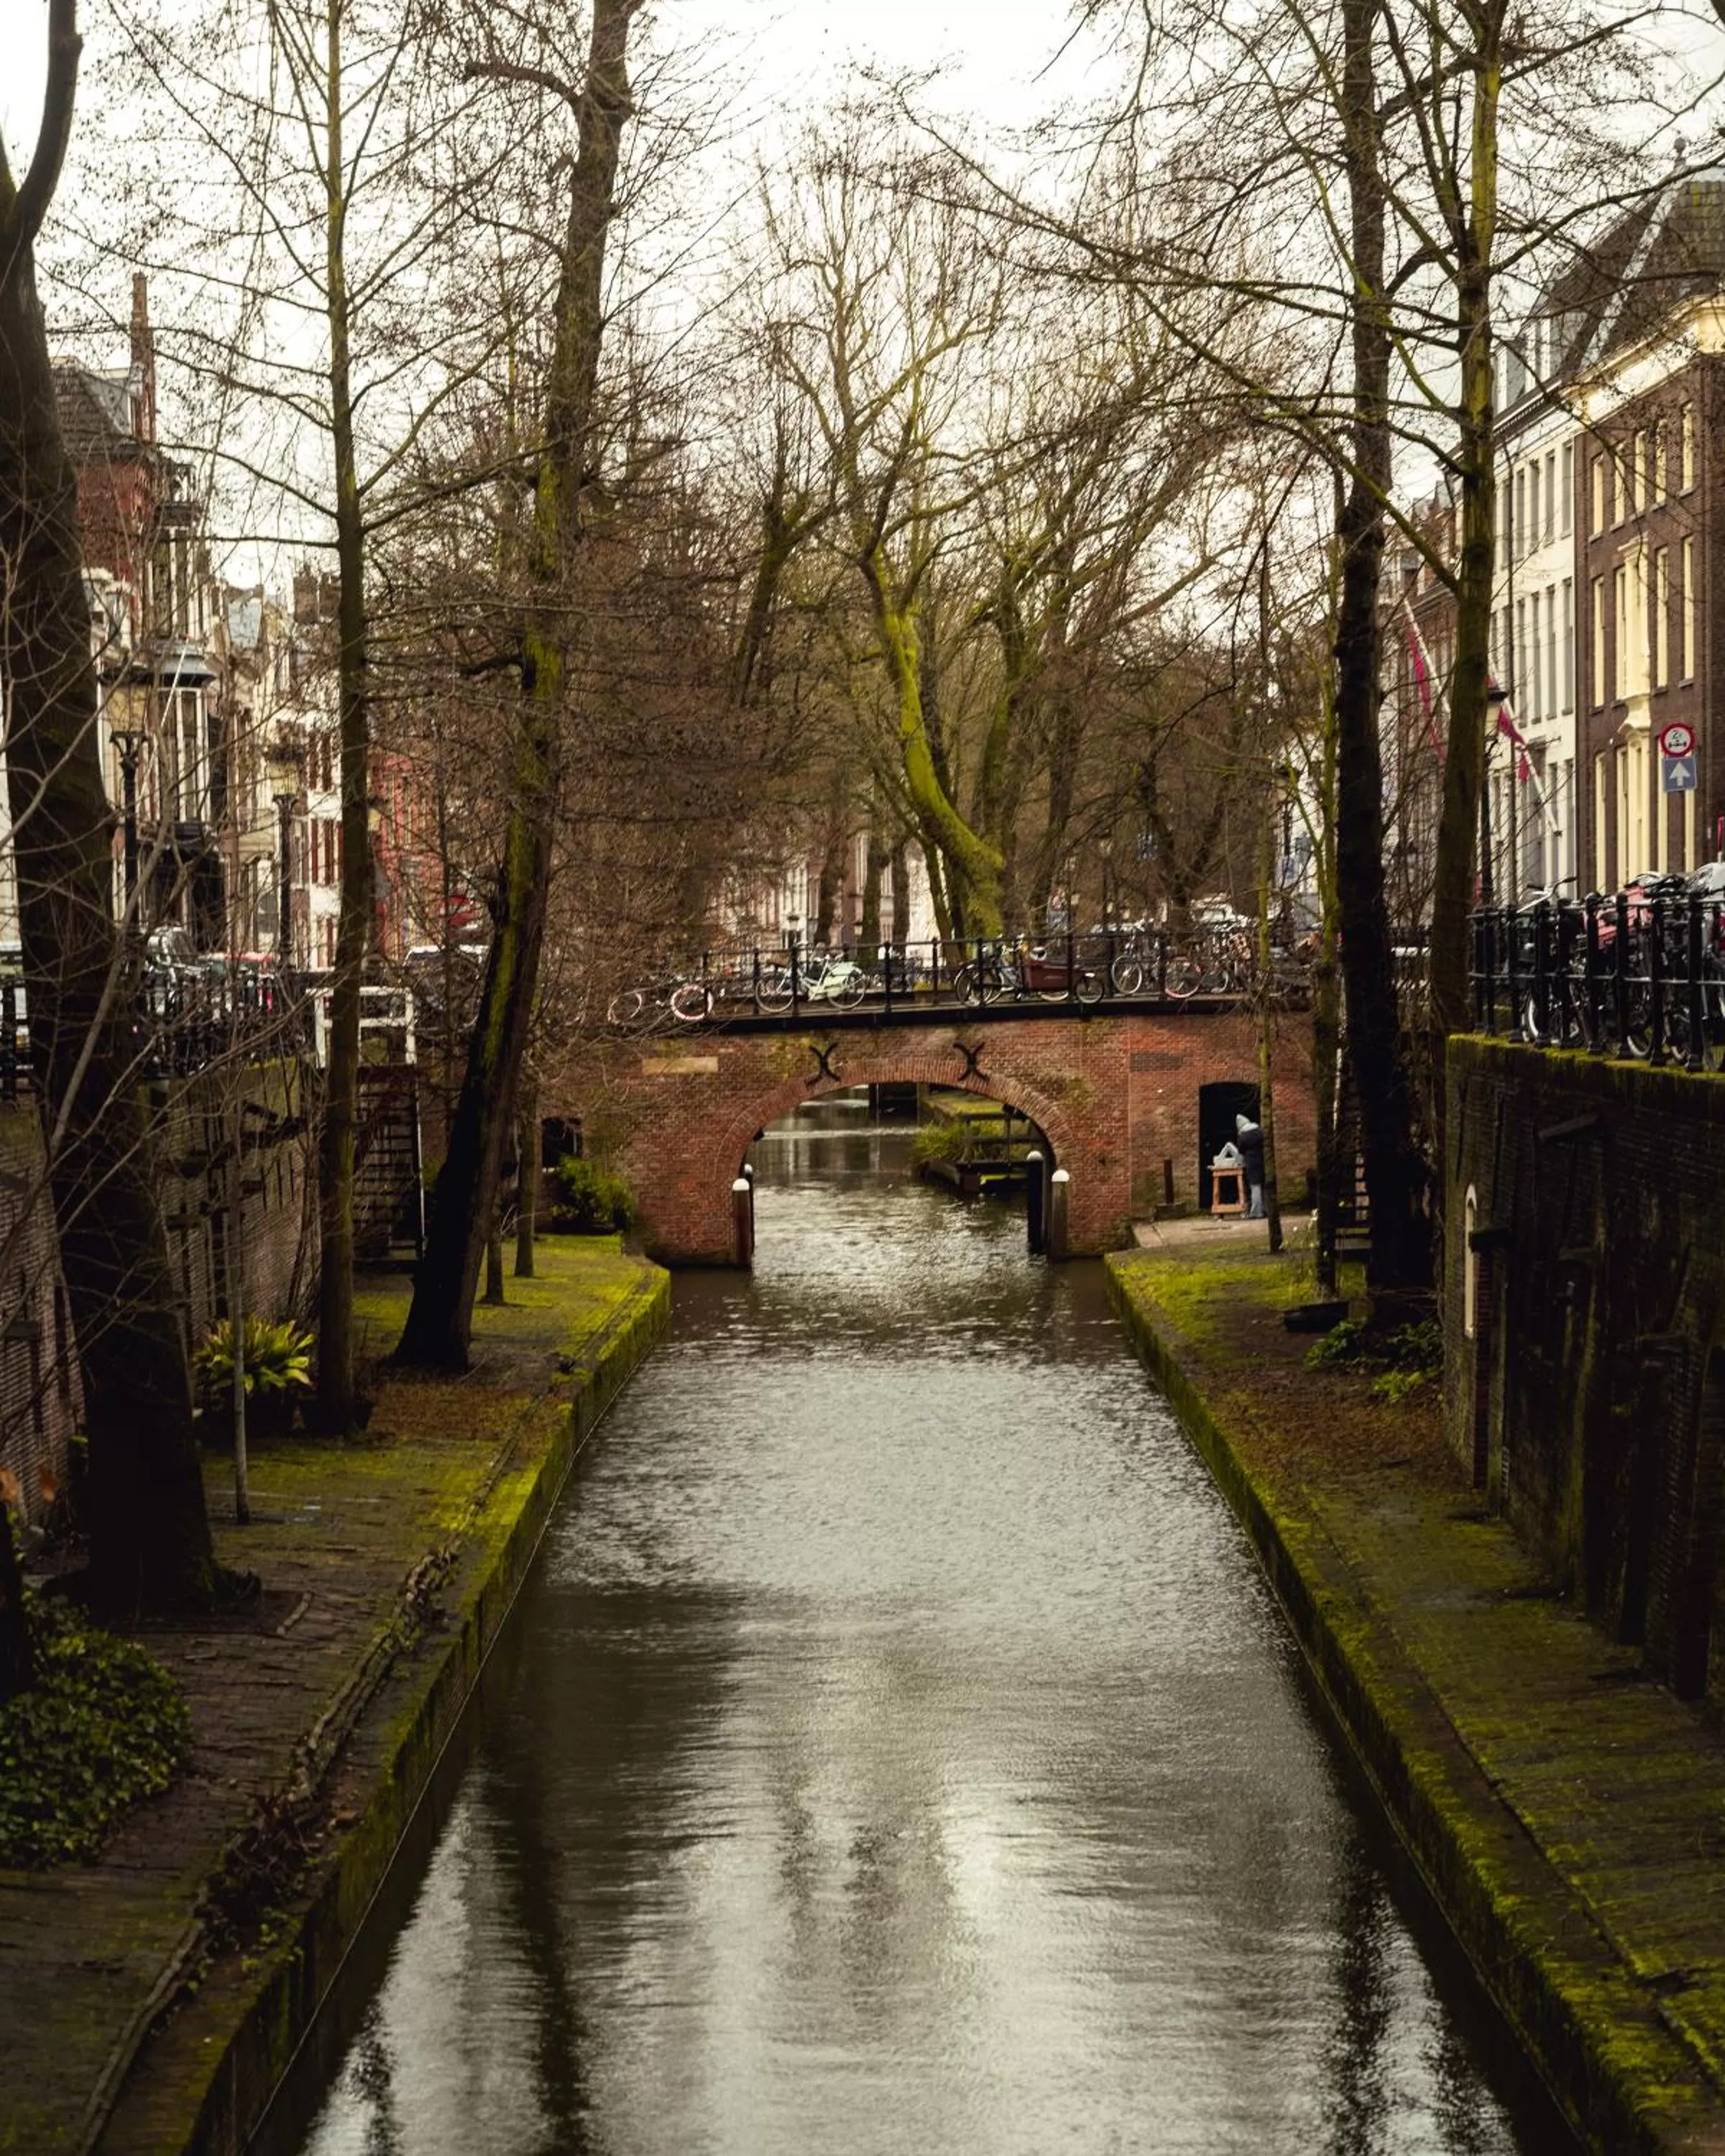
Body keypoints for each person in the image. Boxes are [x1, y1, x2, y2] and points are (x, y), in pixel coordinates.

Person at [1235, 1112, 1266, 1220]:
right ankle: (1263, 1209)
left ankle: (1256, 1212)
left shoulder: (1243, 1136)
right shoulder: (1259, 1131)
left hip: (1251, 1162)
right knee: (1262, 1185)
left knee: (1255, 1186)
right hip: (1262, 1159)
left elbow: (1241, 1150)